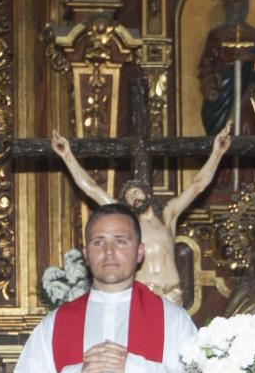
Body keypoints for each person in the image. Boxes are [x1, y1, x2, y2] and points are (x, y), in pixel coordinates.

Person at [8, 202, 215, 373]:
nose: (109, 251)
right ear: (86, 254)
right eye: (98, 242)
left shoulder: (173, 320)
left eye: (120, 241)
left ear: (140, 252)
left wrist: (132, 370)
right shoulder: (54, 325)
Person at [51, 129, 232, 305]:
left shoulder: (168, 216)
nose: (133, 197)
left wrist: (217, 152)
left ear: (147, 194)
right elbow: (92, 189)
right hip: (143, 295)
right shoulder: (128, 225)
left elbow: (197, 186)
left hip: (172, 292)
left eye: (136, 192)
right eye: (128, 197)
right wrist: (67, 155)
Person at [198, 0, 255, 140]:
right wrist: (212, 81)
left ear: (245, 3)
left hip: (248, 92)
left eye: (236, 2)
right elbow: (206, 65)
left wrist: (252, 57)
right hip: (223, 94)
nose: (232, 7)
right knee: (222, 135)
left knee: (248, 129)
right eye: (228, 2)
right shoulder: (216, 35)